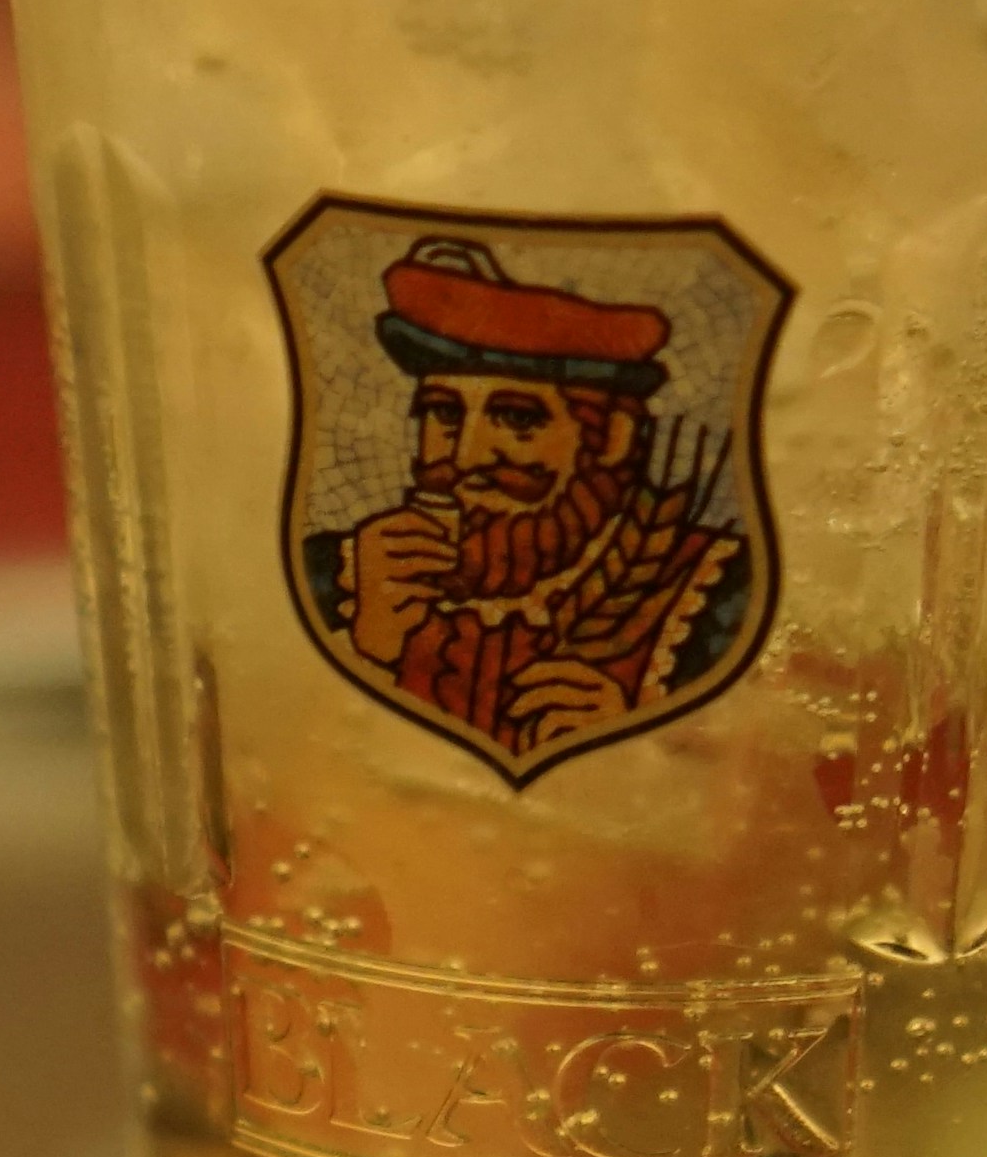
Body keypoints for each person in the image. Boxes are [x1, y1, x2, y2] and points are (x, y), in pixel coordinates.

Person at [308, 236, 746, 762]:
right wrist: (368, 649)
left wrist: (629, 743)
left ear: (613, 438)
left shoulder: (716, 593)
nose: (467, 456)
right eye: (444, 413)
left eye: (516, 418)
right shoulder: (337, 575)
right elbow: (288, 768)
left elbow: (764, 789)